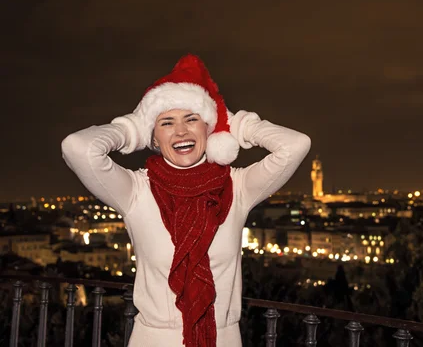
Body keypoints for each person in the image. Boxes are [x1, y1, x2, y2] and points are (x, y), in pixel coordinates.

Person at [61, 54, 311, 347]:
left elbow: (296, 145)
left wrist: (234, 124)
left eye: (192, 119)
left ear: (209, 129)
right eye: (166, 122)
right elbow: (77, 147)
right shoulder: (136, 190)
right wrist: (132, 128)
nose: (181, 131)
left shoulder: (236, 185)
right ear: (153, 137)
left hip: (223, 339)